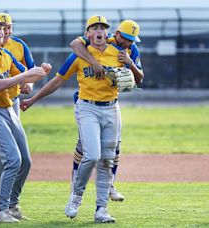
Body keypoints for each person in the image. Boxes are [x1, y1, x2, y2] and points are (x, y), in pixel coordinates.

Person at [20, 15, 123, 223]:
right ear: (87, 34)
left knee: (106, 159)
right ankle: (75, 197)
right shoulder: (79, 54)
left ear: (108, 32)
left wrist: (128, 72)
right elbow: (58, 81)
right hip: (87, 108)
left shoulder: (118, 51)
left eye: (103, 27)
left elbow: (134, 70)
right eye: (94, 27)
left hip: (112, 107)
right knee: (92, 155)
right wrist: (33, 99)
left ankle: (101, 209)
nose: (99, 31)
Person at [0, 15, 50, 223]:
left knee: (25, 160)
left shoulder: (5, 54)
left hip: (8, 109)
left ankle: (12, 205)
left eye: (1, 27)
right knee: (11, 159)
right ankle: (1, 210)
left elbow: (27, 76)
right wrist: (25, 76)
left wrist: (41, 72)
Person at [69, 19, 144, 201]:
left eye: (132, 40)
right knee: (85, 147)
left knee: (114, 147)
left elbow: (140, 79)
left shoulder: (131, 50)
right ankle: (75, 184)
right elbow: (75, 44)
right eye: (126, 38)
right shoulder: (102, 39)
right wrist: (93, 62)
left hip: (110, 103)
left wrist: (130, 63)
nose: (128, 43)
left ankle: (110, 186)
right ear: (117, 34)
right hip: (87, 101)